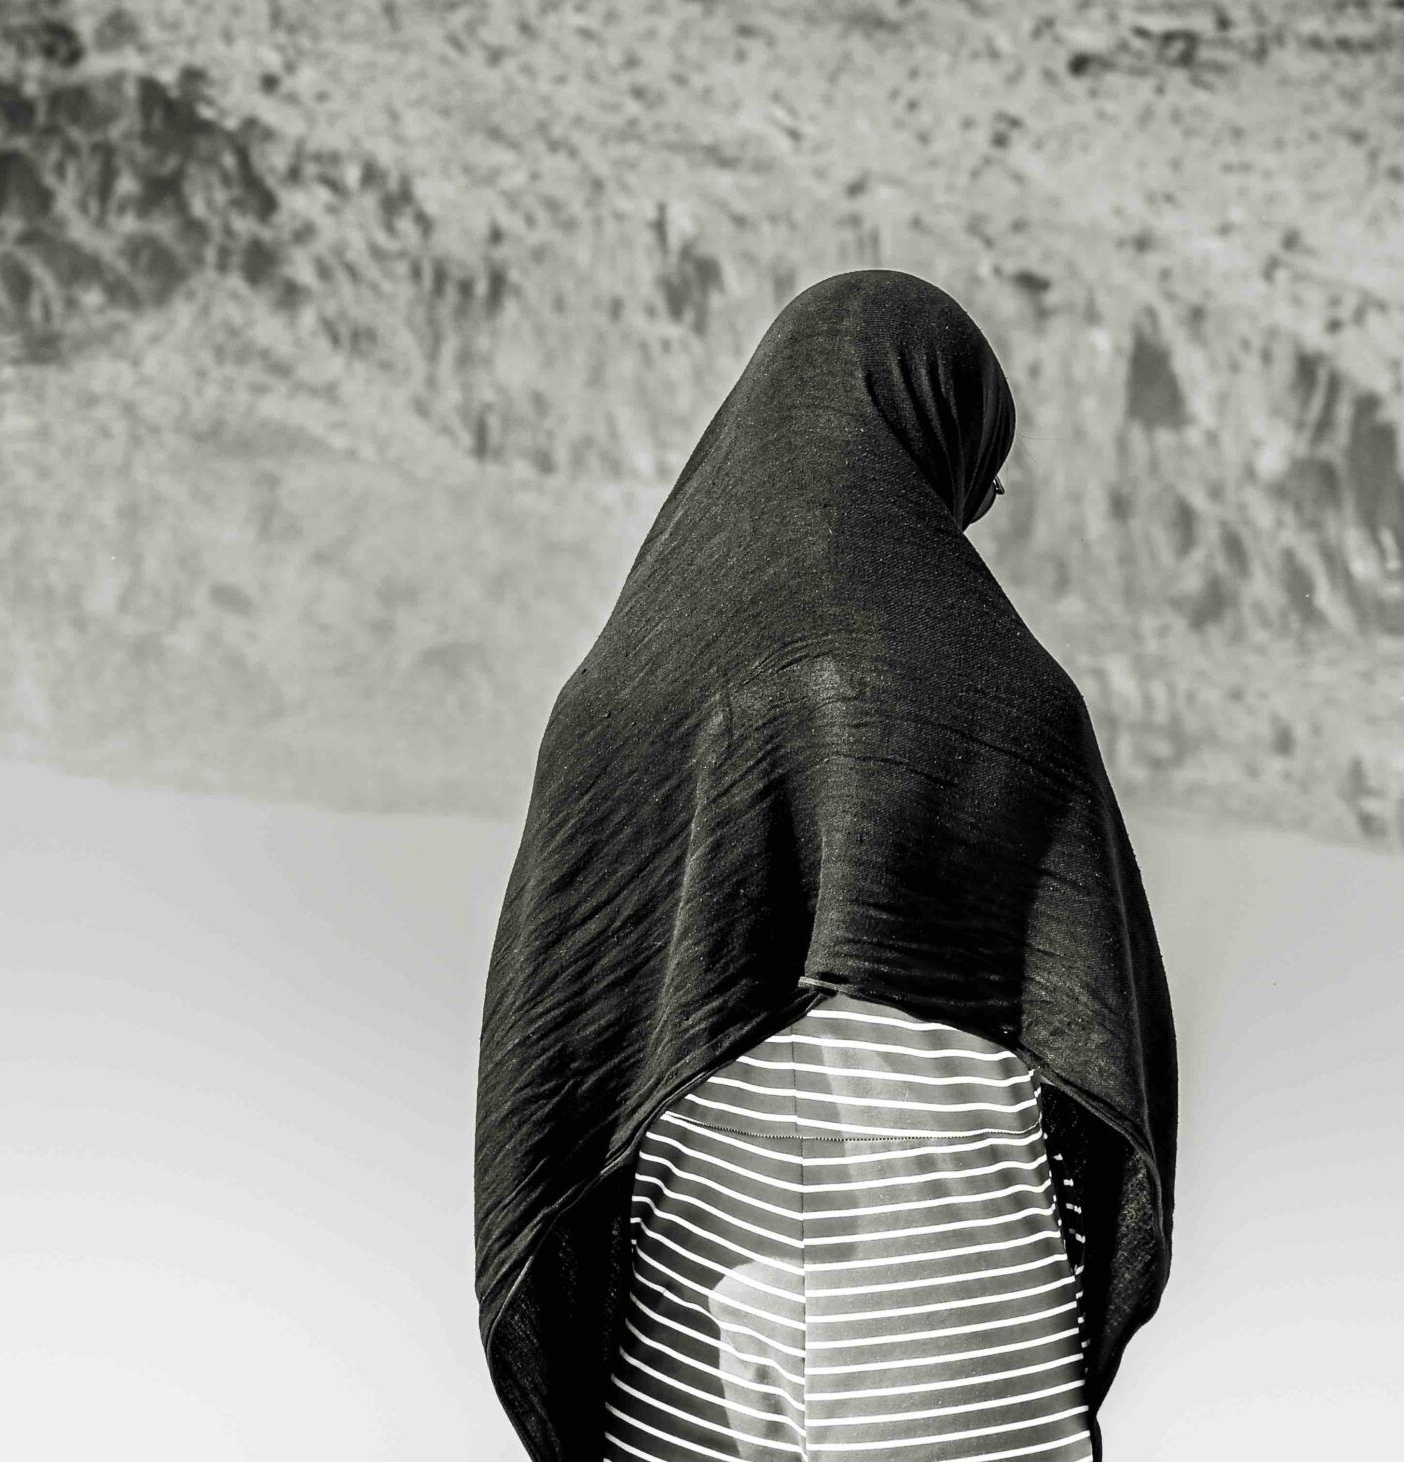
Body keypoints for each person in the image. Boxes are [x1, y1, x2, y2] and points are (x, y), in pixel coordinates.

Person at [473, 269, 1177, 1461]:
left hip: (693, 1341)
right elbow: (1095, 1047)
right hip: (970, 1340)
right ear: (926, 438)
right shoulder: (1017, 700)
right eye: (980, 480)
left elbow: (556, 1073)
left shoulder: (612, 706)